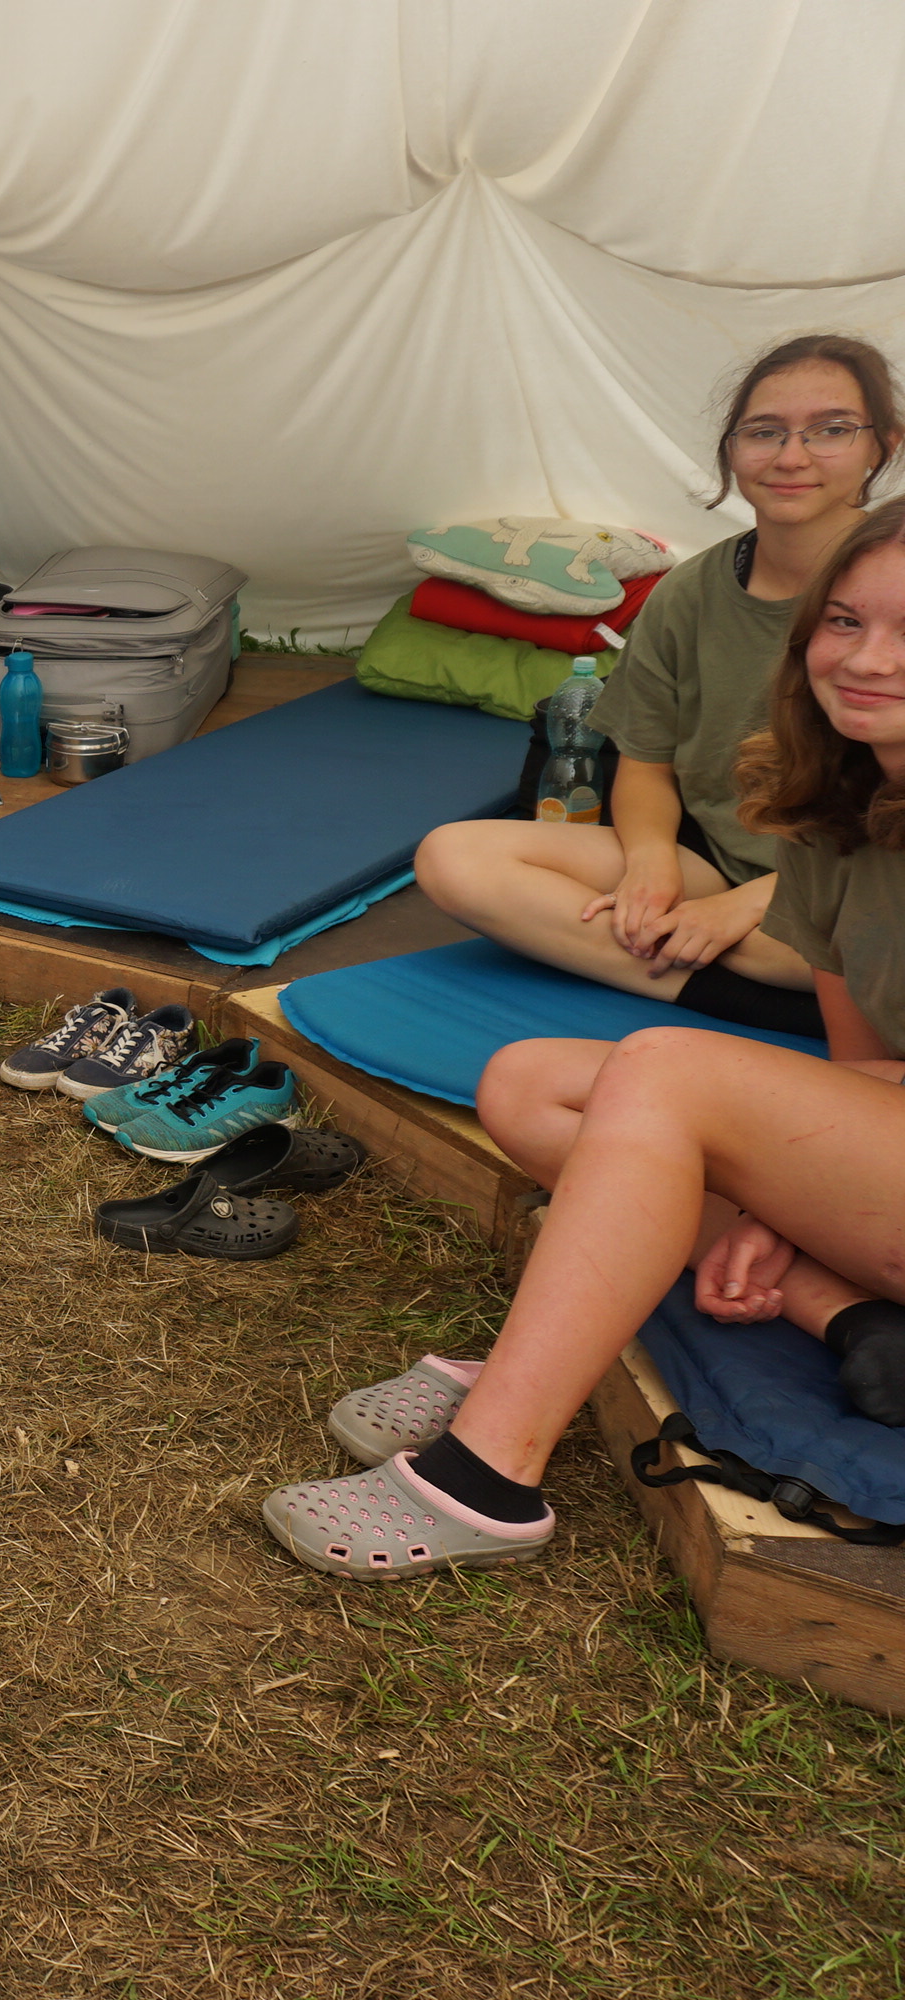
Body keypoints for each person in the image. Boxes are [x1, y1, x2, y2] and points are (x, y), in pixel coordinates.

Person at [265, 500, 905, 1580]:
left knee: (661, 1072)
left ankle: (488, 1476)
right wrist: (785, 1202)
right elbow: (855, 1068)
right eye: (844, 621)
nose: (867, 658)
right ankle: (848, 1316)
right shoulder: (835, 807)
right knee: (534, 1082)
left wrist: (779, 1193)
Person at [414, 334, 903, 1039]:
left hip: (859, 877)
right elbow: (645, 760)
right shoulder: (689, 591)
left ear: (881, 447)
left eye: (831, 430)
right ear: (731, 451)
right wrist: (650, 869)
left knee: (856, 940)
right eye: (764, 432)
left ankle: (688, 964)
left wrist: (750, 908)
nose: (792, 457)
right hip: (714, 860)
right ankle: (719, 973)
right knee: (454, 860)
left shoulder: (892, 589)